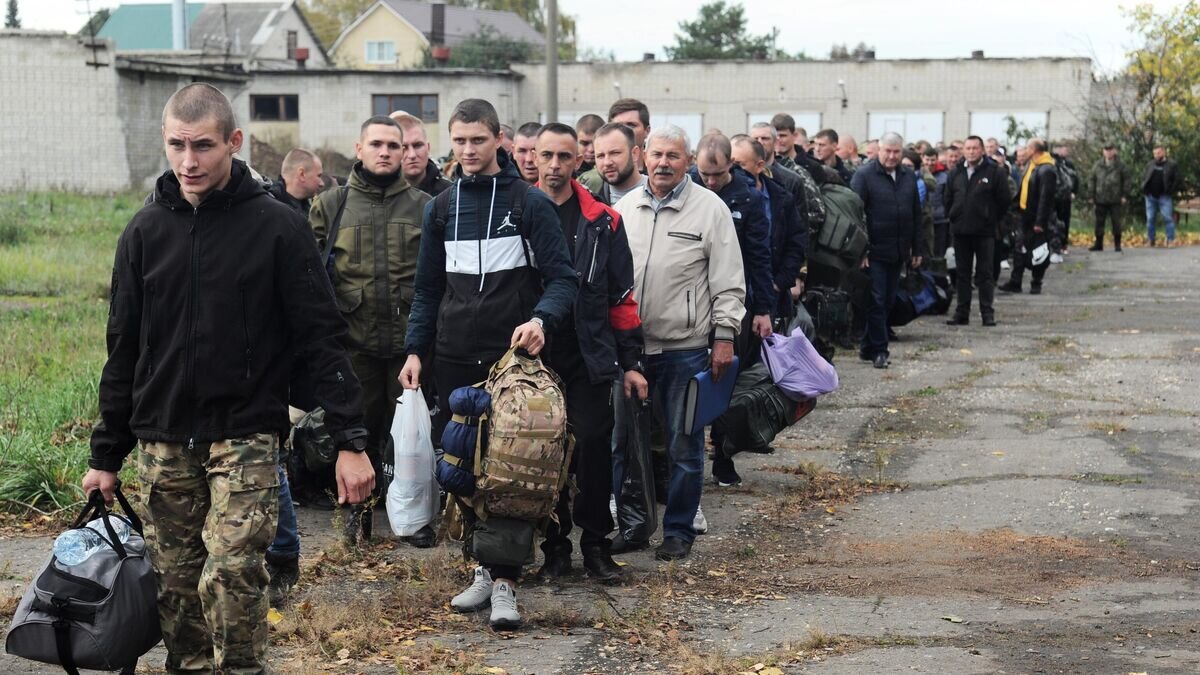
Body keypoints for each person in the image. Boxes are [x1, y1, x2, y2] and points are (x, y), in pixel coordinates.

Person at [84, 83, 373, 674]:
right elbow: (123, 350)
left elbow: (323, 337)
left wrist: (350, 441)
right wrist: (105, 453)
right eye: (177, 146)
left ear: (234, 142)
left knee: (234, 570)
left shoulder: (277, 227)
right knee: (176, 581)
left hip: (244, 432)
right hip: (164, 437)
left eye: (204, 146)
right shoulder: (143, 233)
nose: (189, 162)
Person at [399, 98, 577, 630]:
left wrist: (540, 320)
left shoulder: (529, 204)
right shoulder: (441, 207)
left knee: (511, 471)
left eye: (478, 140)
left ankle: (506, 582)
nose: (469, 150)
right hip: (453, 355)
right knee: (463, 466)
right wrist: (415, 350)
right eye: (459, 141)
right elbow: (427, 289)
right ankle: (479, 567)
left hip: (512, 364)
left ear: (498, 139)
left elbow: (564, 279)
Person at [612, 124, 746, 561]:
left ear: (688, 161)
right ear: (641, 157)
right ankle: (633, 527)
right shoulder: (624, 208)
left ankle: (678, 529)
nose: (664, 163)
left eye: (674, 155)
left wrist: (724, 337)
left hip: (684, 349)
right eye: (657, 155)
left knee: (683, 445)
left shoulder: (710, 210)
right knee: (626, 445)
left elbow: (728, 282)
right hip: (630, 350)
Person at [308, 116, 433, 548]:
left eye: (393, 146)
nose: (385, 152)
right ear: (358, 149)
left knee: (410, 437)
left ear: (406, 153)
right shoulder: (331, 204)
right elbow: (312, 276)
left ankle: (414, 518)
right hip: (353, 345)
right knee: (353, 431)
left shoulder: (424, 205)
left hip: (407, 346)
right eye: (376, 144)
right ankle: (353, 517)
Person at [530, 122, 646, 583]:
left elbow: (622, 297)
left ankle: (595, 544)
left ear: (579, 160)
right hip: (536, 356)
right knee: (543, 453)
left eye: (564, 156)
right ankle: (553, 547)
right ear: (533, 158)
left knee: (595, 448)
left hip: (591, 352)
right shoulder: (518, 213)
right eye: (547, 156)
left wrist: (632, 363)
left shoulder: (603, 220)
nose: (555, 165)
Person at [849, 132, 923, 369]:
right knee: (878, 300)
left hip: (899, 250)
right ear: (879, 150)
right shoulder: (864, 176)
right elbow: (856, 215)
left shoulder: (908, 176)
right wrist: (861, 252)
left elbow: (916, 214)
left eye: (896, 152)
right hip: (874, 251)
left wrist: (917, 248)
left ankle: (867, 346)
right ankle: (880, 350)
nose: (891, 156)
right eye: (887, 151)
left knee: (888, 300)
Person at [943, 136, 1011, 326]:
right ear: (963, 151)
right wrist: (954, 215)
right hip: (960, 231)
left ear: (982, 150)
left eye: (975, 148)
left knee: (985, 273)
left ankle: (987, 313)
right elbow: (947, 198)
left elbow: (1004, 200)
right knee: (962, 274)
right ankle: (961, 313)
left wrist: (989, 217)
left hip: (984, 231)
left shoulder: (994, 172)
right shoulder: (955, 172)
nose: (971, 151)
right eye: (968, 148)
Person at [1000, 138, 1057, 295]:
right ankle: (1015, 281)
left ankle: (1036, 282)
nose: (1024, 151)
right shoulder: (1031, 165)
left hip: (1037, 218)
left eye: (1027, 148)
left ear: (1034, 150)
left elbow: (1046, 198)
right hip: (1024, 215)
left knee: (1038, 250)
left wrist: (1040, 221)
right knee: (1019, 248)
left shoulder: (1047, 169)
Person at [750, 122, 826, 229]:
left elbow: (814, 215)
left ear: (775, 142)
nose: (760, 142)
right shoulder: (742, 177)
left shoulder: (792, 178)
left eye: (765, 138)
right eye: (755, 139)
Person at [579, 98, 652, 193]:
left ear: (647, 131)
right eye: (617, 126)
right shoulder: (591, 183)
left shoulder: (660, 178)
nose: (624, 131)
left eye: (631, 125)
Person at [391, 110, 453, 197]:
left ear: (428, 148)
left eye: (417, 146)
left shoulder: (450, 193)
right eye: (404, 148)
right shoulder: (378, 195)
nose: (412, 155)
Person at [593, 122, 647, 205]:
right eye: (600, 156)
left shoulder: (660, 193)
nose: (607, 162)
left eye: (615, 153)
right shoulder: (589, 198)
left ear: (634, 154)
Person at [1089, 142, 1129, 251]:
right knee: (1099, 223)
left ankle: (1117, 244)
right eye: (1106, 150)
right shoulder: (1098, 165)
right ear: (1103, 151)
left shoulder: (1120, 165)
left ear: (1114, 151)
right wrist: (1091, 195)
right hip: (1100, 198)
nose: (1108, 152)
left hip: (1115, 199)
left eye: (1110, 150)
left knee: (1116, 223)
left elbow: (1126, 181)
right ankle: (1098, 244)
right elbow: (1092, 179)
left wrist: (1124, 195)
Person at [268, 148, 324, 215]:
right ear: (302, 174)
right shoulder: (270, 211)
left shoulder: (310, 210)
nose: (322, 183)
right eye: (319, 176)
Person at [1142, 145, 1178, 246]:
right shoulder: (1150, 164)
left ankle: (1170, 239)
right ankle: (1151, 239)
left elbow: (1177, 180)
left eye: (1158, 153)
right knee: (1150, 218)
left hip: (1164, 196)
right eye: (1154, 154)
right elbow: (1144, 177)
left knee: (1168, 218)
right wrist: (1144, 188)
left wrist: (1170, 190)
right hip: (1150, 196)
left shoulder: (1171, 165)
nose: (1156, 155)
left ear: (1163, 152)